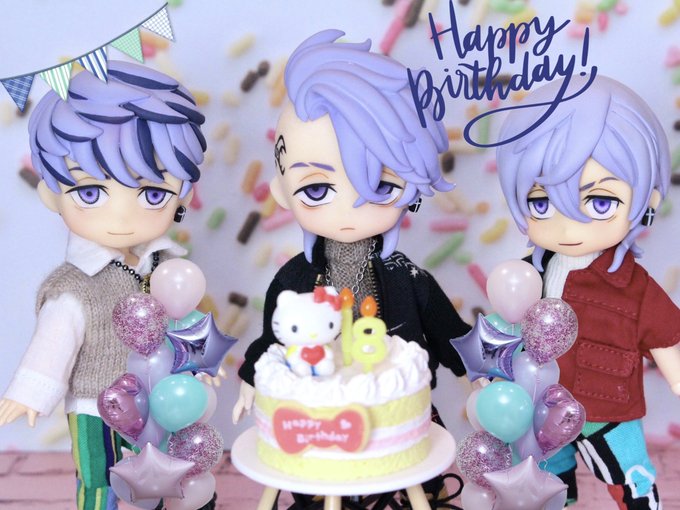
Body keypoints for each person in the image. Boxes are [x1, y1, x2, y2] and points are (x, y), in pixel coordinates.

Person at [231, 29, 469, 503]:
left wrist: (477, 375)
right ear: (282, 192)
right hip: (315, 422)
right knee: (318, 493)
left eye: (380, 187)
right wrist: (250, 378)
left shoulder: (407, 278)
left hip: (397, 423)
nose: (349, 210)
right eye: (317, 190)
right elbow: (274, 337)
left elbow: (448, 332)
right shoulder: (294, 279)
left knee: (415, 488)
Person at [0, 61, 213, 510]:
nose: (122, 217)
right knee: (100, 481)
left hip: (163, 400)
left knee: (167, 476)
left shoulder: (168, 265)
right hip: (95, 408)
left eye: (152, 194)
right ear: (51, 194)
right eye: (90, 193)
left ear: (183, 195)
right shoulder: (73, 286)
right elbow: (54, 342)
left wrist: (202, 364)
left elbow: (185, 320)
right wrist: (28, 394)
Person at [496, 74, 680, 509]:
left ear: (647, 201)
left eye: (599, 202)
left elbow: (665, 337)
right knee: (542, 480)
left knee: (630, 478)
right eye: (542, 203)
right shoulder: (527, 273)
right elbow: (505, 327)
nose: (567, 227)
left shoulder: (632, 285)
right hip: (538, 406)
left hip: (606, 407)